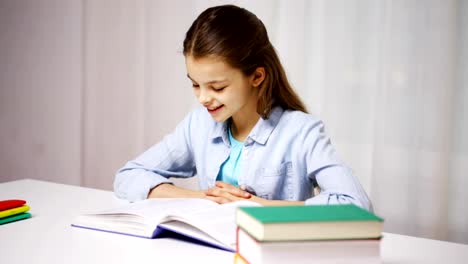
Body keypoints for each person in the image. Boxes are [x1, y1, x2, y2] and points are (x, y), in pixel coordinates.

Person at [114, 4, 372, 210]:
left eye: (217, 87)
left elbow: (356, 206)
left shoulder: (301, 132)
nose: (203, 98)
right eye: (195, 85)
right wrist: (203, 199)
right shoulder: (198, 125)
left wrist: (256, 206)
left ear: (257, 77)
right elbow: (129, 176)